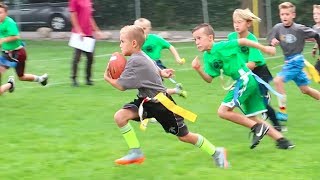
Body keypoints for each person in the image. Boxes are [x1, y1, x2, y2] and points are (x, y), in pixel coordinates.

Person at [104, 25, 229, 168]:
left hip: (162, 105)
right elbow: (152, 64)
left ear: (133, 43)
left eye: (122, 41)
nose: (120, 45)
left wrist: (107, 77)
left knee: (184, 136)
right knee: (120, 117)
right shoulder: (140, 55)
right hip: (146, 101)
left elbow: (121, 86)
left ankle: (216, 152)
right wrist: (162, 73)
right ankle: (136, 152)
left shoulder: (135, 61)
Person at [191, 23, 294, 149]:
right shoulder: (207, 57)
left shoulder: (222, 46)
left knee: (222, 112)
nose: (197, 42)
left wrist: (265, 48)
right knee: (252, 117)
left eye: (199, 38)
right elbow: (209, 79)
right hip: (244, 81)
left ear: (210, 38)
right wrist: (198, 69)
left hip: (245, 79)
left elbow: (244, 41)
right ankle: (282, 141)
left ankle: (257, 128)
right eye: (195, 39)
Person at [228, 8, 283, 132]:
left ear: (248, 23)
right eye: (234, 22)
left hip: (259, 72)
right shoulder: (231, 37)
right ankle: (256, 127)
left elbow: (252, 64)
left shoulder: (252, 39)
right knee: (248, 100)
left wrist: (236, 69)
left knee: (262, 102)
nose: (236, 25)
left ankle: (277, 126)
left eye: (239, 22)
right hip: (245, 73)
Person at [267, 2, 320, 121]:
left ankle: (283, 112)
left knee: (278, 80)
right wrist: (272, 41)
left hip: (296, 61)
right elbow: (270, 38)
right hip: (288, 62)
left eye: (287, 14)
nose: (284, 16)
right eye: (282, 14)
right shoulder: (278, 28)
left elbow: (316, 34)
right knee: (305, 89)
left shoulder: (299, 29)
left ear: (293, 15)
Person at [134, 18, 187, 98]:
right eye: (138, 29)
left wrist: (178, 58)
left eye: (144, 28)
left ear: (149, 29)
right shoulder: (134, 41)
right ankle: (176, 90)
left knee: (154, 92)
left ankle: (174, 92)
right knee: (150, 92)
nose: (141, 31)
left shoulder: (155, 39)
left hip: (156, 65)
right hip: (141, 66)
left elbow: (170, 46)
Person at [0, 3, 48, 86]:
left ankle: (9, 85)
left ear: (6, 13)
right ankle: (41, 79)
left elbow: (17, 36)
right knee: (21, 77)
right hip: (6, 52)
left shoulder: (9, 22)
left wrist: (3, 40)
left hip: (17, 53)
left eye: (0, 12)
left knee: (20, 76)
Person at [69, 0, 103, 86]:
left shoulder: (88, 1)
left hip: (89, 33)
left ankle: (88, 79)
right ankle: (74, 79)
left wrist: (96, 30)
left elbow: (89, 17)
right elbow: (73, 15)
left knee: (90, 58)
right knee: (77, 58)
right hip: (79, 34)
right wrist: (79, 31)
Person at [312, 4, 320, 74]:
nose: (316, 15)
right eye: (314, 13)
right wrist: (315, 48)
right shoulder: (314, 28)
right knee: (316, 73)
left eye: (318, 13)